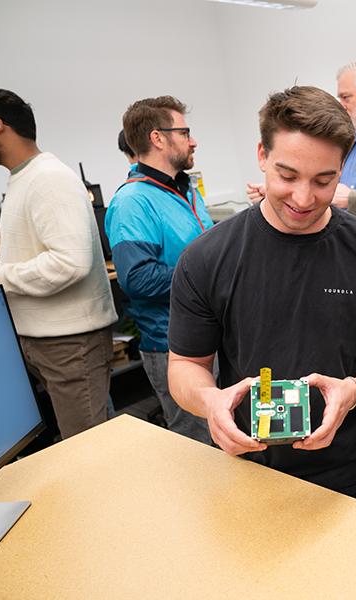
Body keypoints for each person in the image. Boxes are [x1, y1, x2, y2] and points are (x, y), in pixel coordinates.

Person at [167, 85, 356, 506]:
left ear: (342, 168)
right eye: (287, 176)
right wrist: (211, 400)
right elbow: (185, 366)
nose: (304, 199)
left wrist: (353, 390)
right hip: (250, 474)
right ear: (262, 156)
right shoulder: (206, 258)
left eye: (324, 180)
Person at [0, 89, 117, 439]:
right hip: (46, 340)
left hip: (70, 345)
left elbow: (70, 264)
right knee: (85, 443)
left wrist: (1, 275)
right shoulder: (23, 178)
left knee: (89, 450)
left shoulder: (48, 178)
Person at [105, 96, 213, 445]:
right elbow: (137, 278)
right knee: (200, 451)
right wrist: (212, 278)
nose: (192, 140)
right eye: (185, 132)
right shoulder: (132, 202)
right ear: (158, 138)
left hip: (211, 337)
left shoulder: (184, 189)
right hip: (173, 346)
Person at [246, 60, 356, 222]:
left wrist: (352, 199)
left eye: (345, 97)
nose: (341, 105)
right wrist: (279, 193)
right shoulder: (342, 140)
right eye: (287, 176)